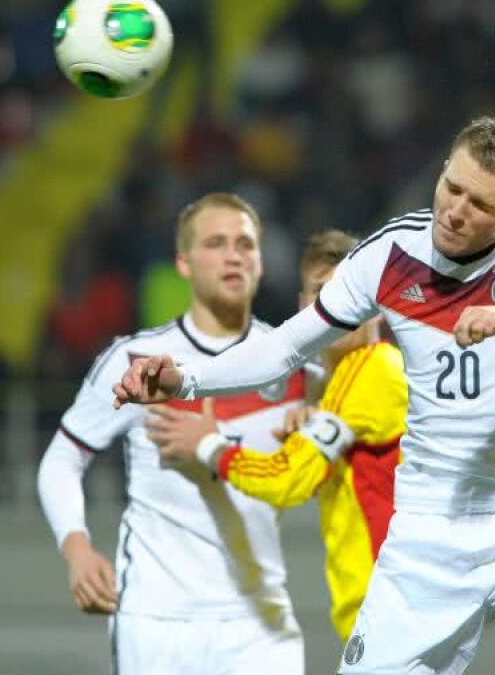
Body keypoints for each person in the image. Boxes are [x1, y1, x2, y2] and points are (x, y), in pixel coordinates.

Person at [114, 117, 495, 674]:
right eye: (453, 187)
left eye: (480, 205)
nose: (455, 209)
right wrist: (184, 377)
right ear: (443, 169)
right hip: (427, 534)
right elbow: (282, 350)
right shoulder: (391, 254)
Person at [36, 192, 305, 674]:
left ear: (261, 261)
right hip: (157, 618)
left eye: (245, 244)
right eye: (216, 243)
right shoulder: (134, 358)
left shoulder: (293, 361)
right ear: (183, 262)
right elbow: (62, 458)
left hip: (261, 623)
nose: (233, 255)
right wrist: (75, 548)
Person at [144, 228, 409, 643]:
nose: (339, 305)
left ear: (375, 304)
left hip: (393, 614)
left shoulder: (374, 368)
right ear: (305, 307)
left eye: (351, 291)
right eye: (324, 292)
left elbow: (286, 481)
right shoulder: (342, 383)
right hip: (381, 615)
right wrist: (315, 413)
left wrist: (208, 445)